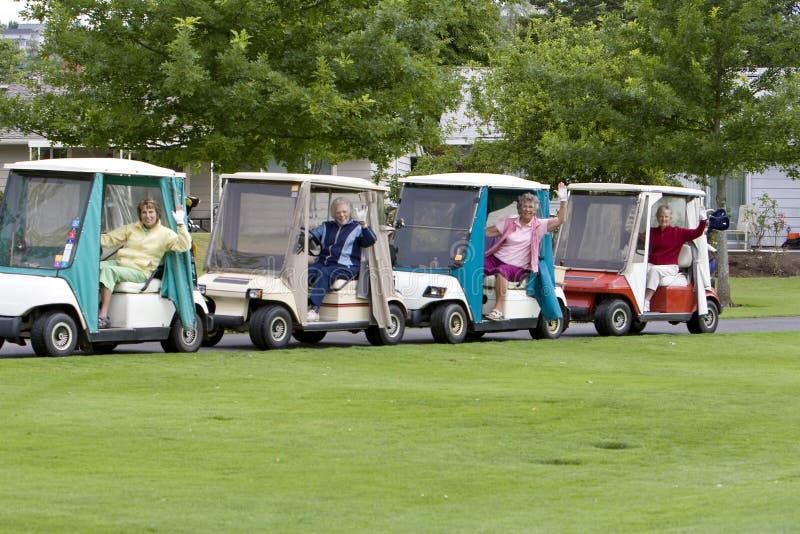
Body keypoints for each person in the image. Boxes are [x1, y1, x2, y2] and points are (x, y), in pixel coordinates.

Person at [98, 198, 190, 328]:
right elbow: (109, 239)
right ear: (140, 214)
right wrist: (86, 237)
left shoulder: (165, 234)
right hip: (122, 264)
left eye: (151, 212)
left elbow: (184, 245)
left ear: (157, 214)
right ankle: (89, 308)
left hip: (141, 271)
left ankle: (103, 316)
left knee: (108, 271)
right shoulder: (132, 228)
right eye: (144, 212)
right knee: (93, 267)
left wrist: (180, 223)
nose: (148, 216)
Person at [483, 183, 568, 321]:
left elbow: (560, 220)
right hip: (497, 258)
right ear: (519, 208)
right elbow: (487, 232)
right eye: (525, 206)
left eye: (531, 207)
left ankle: (498, 309)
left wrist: (563, 200)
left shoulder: (539, 225)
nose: (527, 209)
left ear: (535, 210)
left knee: (502, 271)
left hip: (518, 267)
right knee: (474, 264)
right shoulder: (510, 222)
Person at [306, 197, 377, 322]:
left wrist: (364, 225)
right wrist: (300, 234)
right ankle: (299, 304)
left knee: (325, 273)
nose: (342, 215)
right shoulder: (326, 226)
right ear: (334, 214)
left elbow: (371, 240)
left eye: (344, 211)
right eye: (338, 212)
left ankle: (314, 309)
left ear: (350, 212)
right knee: (304, 272)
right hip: (324, 263)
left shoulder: (357, 227)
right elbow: (312, 235)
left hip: (347, 267)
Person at [644, 205, 708, 312]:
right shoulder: (652, 232)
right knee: (640, 269)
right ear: (657, 218)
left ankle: (646, 301)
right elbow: (637, 237)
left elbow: (697, 232)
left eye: (666, 216)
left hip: (670, 267)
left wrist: (703, 221)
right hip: (654, 264)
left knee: (654, 270)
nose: (663, 219)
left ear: (670, 218)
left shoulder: (678, 232)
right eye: (661, 216)